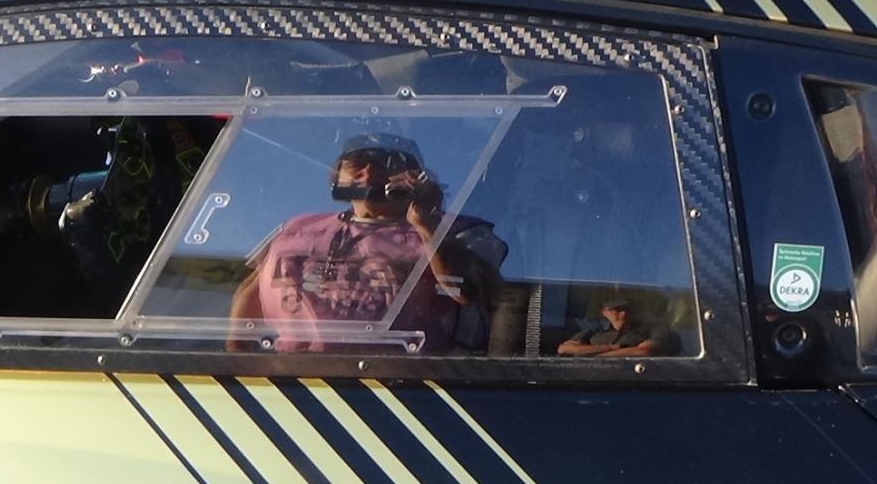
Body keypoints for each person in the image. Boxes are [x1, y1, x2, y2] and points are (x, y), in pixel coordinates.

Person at [228, 133, 505, 353]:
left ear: (415, 177)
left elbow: (466, 292)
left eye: (388, 163)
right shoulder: (297, 226)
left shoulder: (455, 231)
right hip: (293, 370)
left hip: (402, 376)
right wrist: (236, 356)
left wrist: (426, 223)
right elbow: (252, 289)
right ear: (336, 175)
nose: (370, 170)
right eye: (357, 162)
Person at [556, 298, 673, 357]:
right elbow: (564, 349)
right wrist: (615, 347)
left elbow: (643, 351)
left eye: (626, 309)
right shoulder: (594, 332)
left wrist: (590, 355)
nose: (623, 313)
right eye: (616, 309)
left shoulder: (652, 330)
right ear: (604, 312)